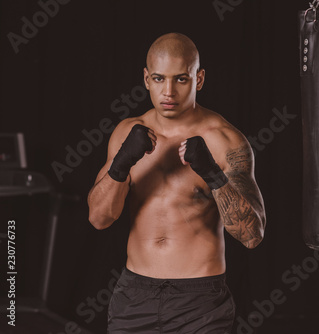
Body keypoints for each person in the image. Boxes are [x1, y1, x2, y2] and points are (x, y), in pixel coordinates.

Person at [87, 32, 266, 334]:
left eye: (181, 79)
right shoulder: (126, 132)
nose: (168, 91)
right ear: (146, 79)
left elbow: (252, 235)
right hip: (134, 295)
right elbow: (99, 219)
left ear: (199, 79)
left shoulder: (224, 140)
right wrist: (122, 163)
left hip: (199, 301)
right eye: (159, 79)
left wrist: (213, 174)